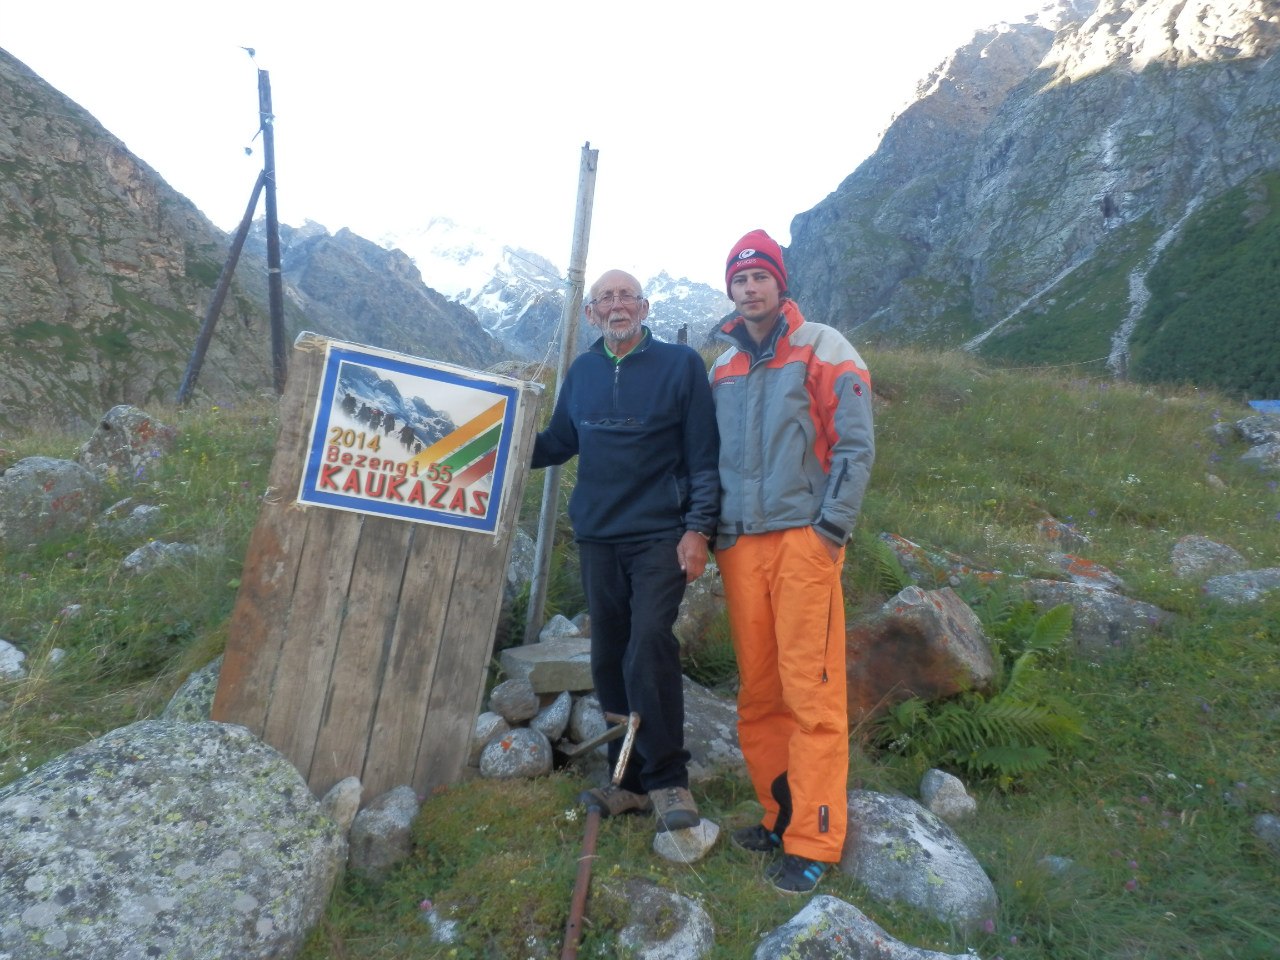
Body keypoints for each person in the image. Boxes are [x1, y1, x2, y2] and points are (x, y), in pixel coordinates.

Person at [710, 229, 875, 893]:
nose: (750, 288)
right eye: (739, 279)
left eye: (760, 277)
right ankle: (779, 816)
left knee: (811, 692)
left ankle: (815, 840)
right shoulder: (719, 365)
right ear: (730, 289)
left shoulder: (823, 346)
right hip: (740, 546)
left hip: (803, 541)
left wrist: (829, 530)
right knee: (759, 693)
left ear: (779, 283)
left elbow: (854, 447)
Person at [532, 269, 719, 832]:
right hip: (598, 536)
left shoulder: (680, 365)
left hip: (660, 534)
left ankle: (668, 780)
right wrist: (499, 437)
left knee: (648, 646)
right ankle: (632, 783)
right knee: (609, 656)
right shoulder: (584, 371)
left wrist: (699, 529)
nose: (617, 306)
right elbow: (559, 442)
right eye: (605, 298)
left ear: (644, 306)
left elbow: (703, 455)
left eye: (626, 296)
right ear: (591, 314)